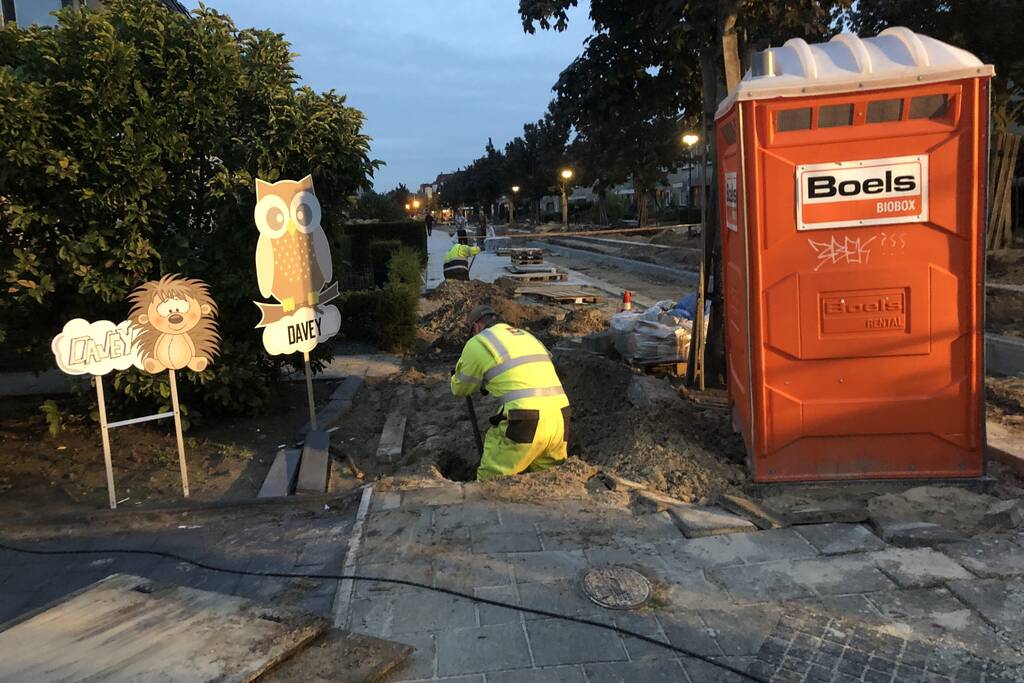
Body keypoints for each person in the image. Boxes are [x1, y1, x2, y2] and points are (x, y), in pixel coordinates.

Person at [450, 305, 570, 481]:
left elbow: (461, 388)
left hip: (525, 418)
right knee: (549, 480)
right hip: (560, 416)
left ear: (476, 327)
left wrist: (456, 377)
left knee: (491, 481)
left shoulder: (479, 342)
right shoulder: (527, 336)